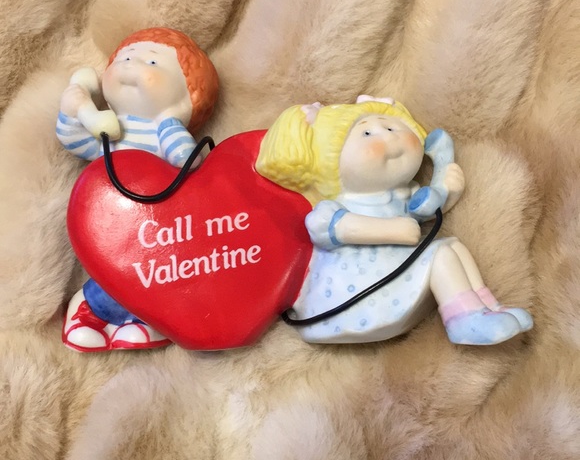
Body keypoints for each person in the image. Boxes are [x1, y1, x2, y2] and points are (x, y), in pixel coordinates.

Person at [256, 98, 533, 345]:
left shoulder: (404, 194)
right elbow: (332, 228)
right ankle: (463, 320)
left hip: (395, 268)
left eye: (391, 127)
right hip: (357, 292)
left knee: (454, 246)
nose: (389, 137)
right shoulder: (334, 205)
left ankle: (486, 307)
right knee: (440, 255)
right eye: (367, 134)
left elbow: (426, 210)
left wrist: (447, 188)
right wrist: (391, 229)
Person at [57, 27, 219, 352]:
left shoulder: (164, 130)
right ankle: (88, 316)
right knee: (111, 269)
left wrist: (171, 123)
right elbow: (72, 140)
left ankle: (144, 321)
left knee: (148, 271)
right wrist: (76, 108)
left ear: (188, 96)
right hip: (111, 221)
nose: (131, 65)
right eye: (125, 58)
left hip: (157, 226)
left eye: (153, 62)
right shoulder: (110, 129)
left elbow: (186, 158)